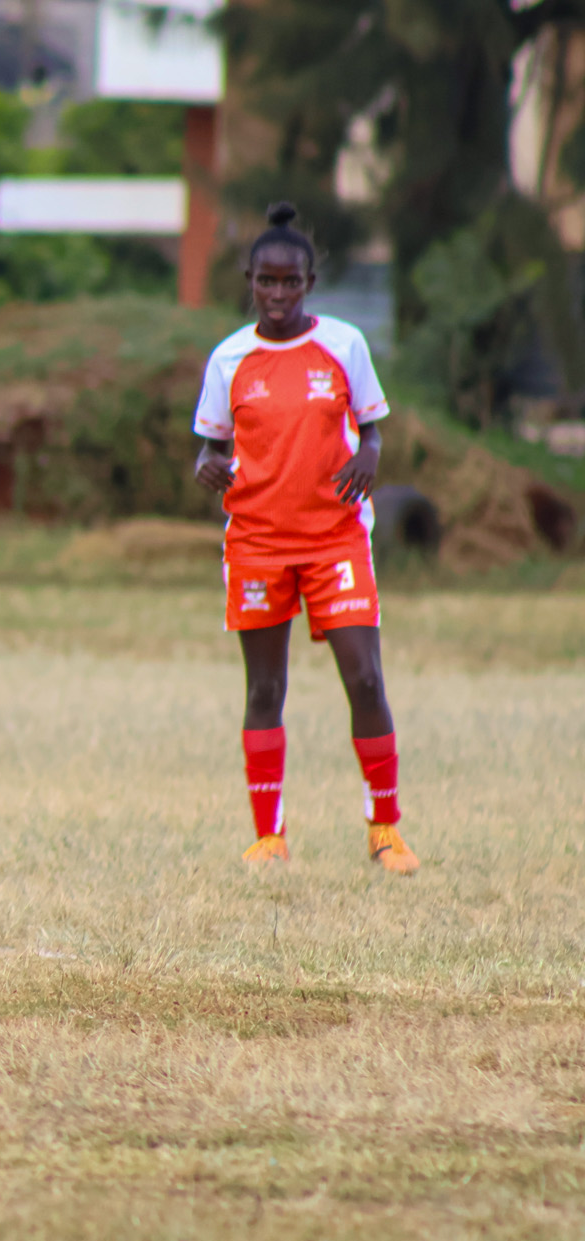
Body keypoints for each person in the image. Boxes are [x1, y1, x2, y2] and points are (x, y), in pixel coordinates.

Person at [192, 203, 417, 873]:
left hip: (335, 537)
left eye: (291, 282)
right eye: (267, 281)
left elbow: (371, 427)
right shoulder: (230, 357)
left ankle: (385, 828)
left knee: (365, 676)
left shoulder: (344, 345)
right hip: (257, 541)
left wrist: (370, 454)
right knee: (264, 690)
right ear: (250, 280)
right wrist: (204, 465)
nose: (279, 293)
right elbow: (211, 445)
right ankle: (269, 835)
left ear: (311, 282)